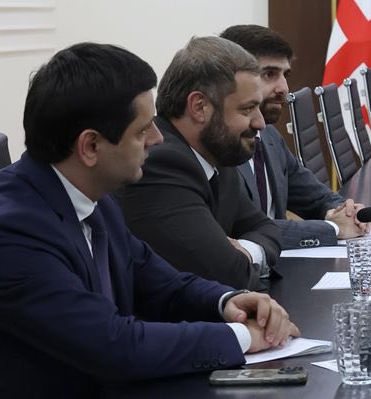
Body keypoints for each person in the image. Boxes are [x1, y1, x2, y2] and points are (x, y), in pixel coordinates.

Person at [0, 43, 299, 399]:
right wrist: (243, 337)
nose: (158, 138)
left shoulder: (91, 197)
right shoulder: (9, 236)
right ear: (91, 146)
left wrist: (229, 302)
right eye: (142, 130)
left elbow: (160, 282)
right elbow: (114, 345)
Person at [115, 36, 282, 291]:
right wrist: (242, 258)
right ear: (199, 107)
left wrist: (248, 251)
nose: (260, 123)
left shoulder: (218, 156)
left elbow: (265, 227)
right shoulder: (160, 164)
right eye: (247, 109)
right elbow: (229, 275)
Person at [219, 24, 371, 248]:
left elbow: (314, 195)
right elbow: (246, 228)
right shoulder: (220, 145)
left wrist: (345, 212)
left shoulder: (268, 135)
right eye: (269, 74)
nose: (284, 88)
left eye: (285, 75)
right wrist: (334, 228)